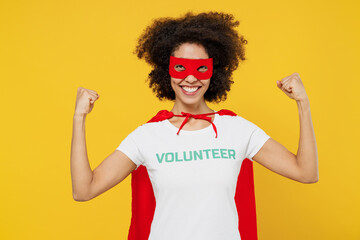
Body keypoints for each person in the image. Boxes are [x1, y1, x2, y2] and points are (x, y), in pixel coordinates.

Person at [71, 11, 319, 240]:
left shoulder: (238, 130)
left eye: (201, 68)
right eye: (181, 67)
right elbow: (84, 190)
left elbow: (306, 173)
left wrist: (303, 103)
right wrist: (79, 118)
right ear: (166, 71)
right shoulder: (147, 136)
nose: (190, 77)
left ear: (215, 72)